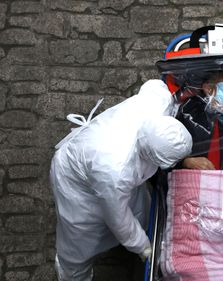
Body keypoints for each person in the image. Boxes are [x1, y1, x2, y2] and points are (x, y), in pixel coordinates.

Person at [50, 79, 192, 280]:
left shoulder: (156, 105)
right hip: (76, 182)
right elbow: (117, 217)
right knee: (80, 239)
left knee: (139, 206)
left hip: (107, 164)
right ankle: (73, 274)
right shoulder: (114, 170)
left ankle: (141, 233)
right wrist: (142, 246)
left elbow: (155, 86)